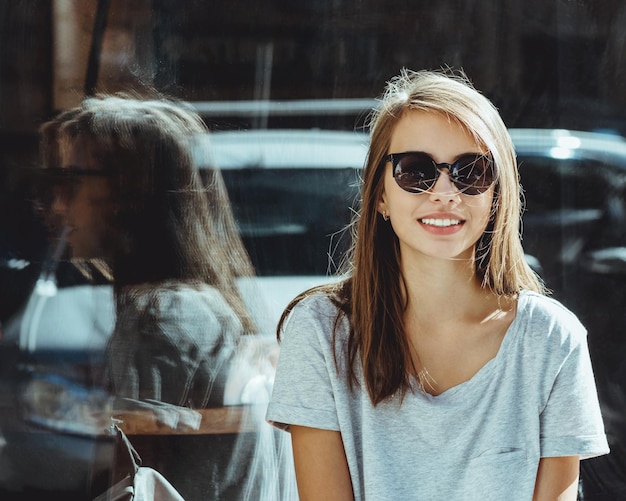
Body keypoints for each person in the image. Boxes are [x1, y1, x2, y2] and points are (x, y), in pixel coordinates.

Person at [266, 68, 610, 500]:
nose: (446, 192)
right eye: (415, 170)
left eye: (471, 172)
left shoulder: (553, 341)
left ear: (496, 196)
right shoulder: (320, 331)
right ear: (380, 195)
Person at [32, 94, 293, 500]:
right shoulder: (190, 304)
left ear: (128, 195)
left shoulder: (161, 316)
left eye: (72, 183)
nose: (53, 205)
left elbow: (136, 479)